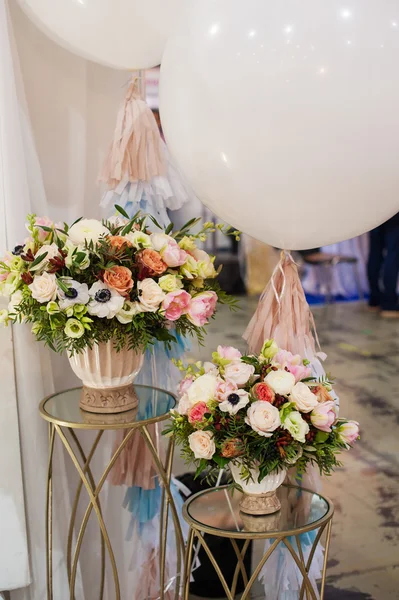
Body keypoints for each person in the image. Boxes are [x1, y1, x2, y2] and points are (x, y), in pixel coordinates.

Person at [367, 212, 399, 317]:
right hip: (394, 212)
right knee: (393, 256)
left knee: (375, 254)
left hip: (375, 212)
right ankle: (389, 304)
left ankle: (375, 300)